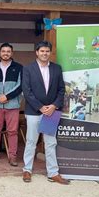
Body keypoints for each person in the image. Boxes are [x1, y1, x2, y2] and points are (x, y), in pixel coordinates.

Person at [22, 41, 69, 185]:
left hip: (51, 112)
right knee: (31, 141)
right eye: (42, 51)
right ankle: (27, 170)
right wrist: (40, 107)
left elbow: (61, 89)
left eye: (47, 51)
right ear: (37, 52)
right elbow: (26, 91)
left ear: (50, 53)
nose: (44, 53)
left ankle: (53, 173)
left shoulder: (56, 68)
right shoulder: (28, 68)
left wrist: (54, 106)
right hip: (34, 111)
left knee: (50, 142)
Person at [0, 43, 23, 166]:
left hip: (12, 104)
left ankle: (12, 156)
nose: (6, 53)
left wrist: (7, 96)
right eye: (3, 51)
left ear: (12, 53)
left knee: (12, 131)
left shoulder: (19, 67)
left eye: (8, 51)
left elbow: (21, 86)